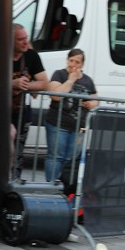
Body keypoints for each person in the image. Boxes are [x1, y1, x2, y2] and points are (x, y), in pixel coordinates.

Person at [44, 49, 97, 182]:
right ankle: (51, 187)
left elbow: (96, 99)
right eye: (71, 60)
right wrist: (71, 80)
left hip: (79, 127)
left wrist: (92, 104)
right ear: (67, 60)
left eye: (77, 62)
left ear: (82, 64)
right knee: (55, 157)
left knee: (71, 159)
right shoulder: (59, 74)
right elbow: (55, 96)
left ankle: (65, 188)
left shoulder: (88, 80)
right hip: (58, 123)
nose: (73, 64)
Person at [10, 23, 49, 180]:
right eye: (20, 40)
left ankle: (14, 183)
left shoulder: (31, 55)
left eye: (26, 38)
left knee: (19, 150)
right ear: (10, 41)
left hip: (21, 112)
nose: (26, 42)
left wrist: (25, 85)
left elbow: (44, 83)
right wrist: (12, 83)